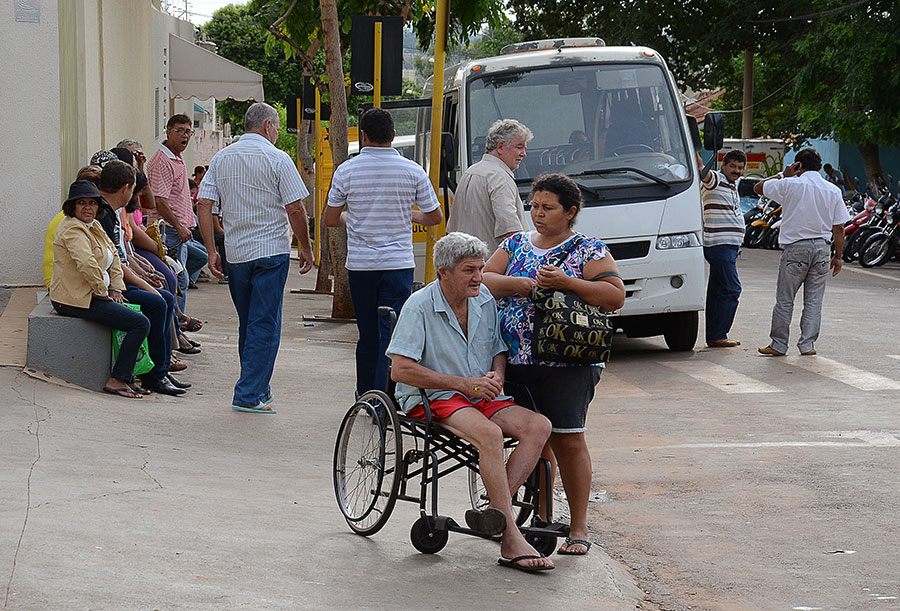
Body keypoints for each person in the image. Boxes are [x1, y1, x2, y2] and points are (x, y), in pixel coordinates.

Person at [387, 232, 554, 572]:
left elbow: (497, 349)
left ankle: (491, 513)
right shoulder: (419, 306)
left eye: (480, 268)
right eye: (469, 270)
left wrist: (497, 375)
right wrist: (462, 383)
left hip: (480, 392)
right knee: (490, 435)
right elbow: (400, 370)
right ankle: (509, 537)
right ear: (443, 272)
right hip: (435, 396)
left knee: (539, 426)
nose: (479, 277)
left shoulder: (484, 300)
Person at [483, 173, 625, 557]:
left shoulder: (588, 249)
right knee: (535, 438)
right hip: (515, 359)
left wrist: (567, 282)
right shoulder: (514, 244)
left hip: (569, 362)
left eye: (548, 208)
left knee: (567, 438)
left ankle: (578, 527)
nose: (538, 214)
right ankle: (542, 520)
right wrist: (520, 285)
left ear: (571, 212)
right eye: (534, 206)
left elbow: (615, 296)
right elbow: (485, 279)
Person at [197, 102, 314, 414]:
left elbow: (204, 204)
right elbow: (295, 208)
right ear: (267, 126)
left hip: (236, 254)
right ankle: (248, 393)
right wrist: (306, 246)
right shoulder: (278, 158)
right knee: (265, 323)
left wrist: (212, 249)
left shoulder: (221, 159)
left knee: (249, 324)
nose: (276, 133)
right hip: (271, 252)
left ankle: (258, 386)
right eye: (276, 128)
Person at [325, 107, 443, 396]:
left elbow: (330, 218)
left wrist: (350, 219)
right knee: (391, 333)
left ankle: (365, 395)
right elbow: (435, 216)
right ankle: (387, 396)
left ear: (363, 136)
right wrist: (410, 216)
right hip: (398, 265)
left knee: (367, 334)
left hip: (362, 266)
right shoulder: (413, 170)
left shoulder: (347, 171)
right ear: (392, 135)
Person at [49, 179, 151, 399]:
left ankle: (129, 377)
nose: (88, 207)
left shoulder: (94, 225)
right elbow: (86, 264)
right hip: (73, 299)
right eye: (82, 203)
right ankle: (118, 379)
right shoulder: (72, 229)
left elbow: (114, 258)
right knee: (139, 322)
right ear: (72, 207)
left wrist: (116, 289)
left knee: (141, 314)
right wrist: (104, 292)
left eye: (93, 203)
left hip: (97, 294)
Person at [97, 160, 185, 396]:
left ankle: (161, 369)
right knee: (158, 301)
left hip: (117, 278)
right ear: (126, 188)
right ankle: (154, 375)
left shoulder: (112, 212)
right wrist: (144, 283)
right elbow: (112, 262)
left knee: (164, 297)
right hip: (108, 285)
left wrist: (143, 275)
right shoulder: (103, 213)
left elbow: (122, 256)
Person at [754, 148, 851, 356]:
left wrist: (783, 174)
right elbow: (839, 228)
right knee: (814, 301)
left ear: (798, 166)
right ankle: (807, 345)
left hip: (796, 248)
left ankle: (779, 344)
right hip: (822, 249)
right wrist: (838, 256)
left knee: (785, 299)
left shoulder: (789, 184)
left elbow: (758, 187)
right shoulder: (832, 190)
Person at [146, 114, 205, 314]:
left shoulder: (176, 157)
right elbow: (160, 201)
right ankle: (177, 328)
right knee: (178, 281)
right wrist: (179, 226)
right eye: (180, 131)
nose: (185, 136)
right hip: (170, 231)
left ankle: (178, 326)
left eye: (188, 131)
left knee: (194, 266)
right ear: (168, 132)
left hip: (182, 231)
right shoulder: (162, 161)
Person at [446, 119, 532, 253]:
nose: (523, 154)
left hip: (466, 265)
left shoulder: (469, 172)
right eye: (519, 147)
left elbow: (451, 228)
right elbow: (512, 233)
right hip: (493, 267)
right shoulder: (500, 177)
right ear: (500, 147)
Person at [697, 149, 746, 348]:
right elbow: (703, 171)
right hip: (719, 245)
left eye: (740, 168)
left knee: (717, 291)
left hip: (730, 246)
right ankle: (720, 334)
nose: (736, 171)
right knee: (732, 288)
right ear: (723, 165)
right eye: (732, 166)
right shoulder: (716, 179)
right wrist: (693, 145)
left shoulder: (733, 185)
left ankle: (715, 335)